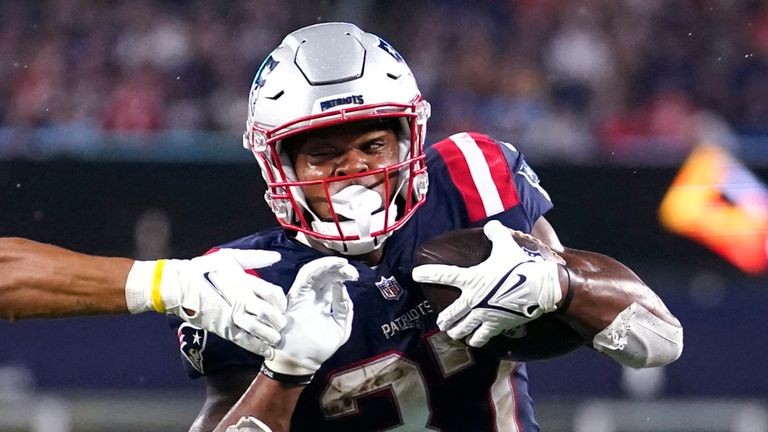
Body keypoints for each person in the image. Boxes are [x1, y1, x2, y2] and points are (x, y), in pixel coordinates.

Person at [0, 22, 684, 432]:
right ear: (278, 163)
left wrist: (560, 281)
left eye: (371, 147)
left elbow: (655, 339)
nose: (353, 172)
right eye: (324, 153)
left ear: (408, 139)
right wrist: (287, 369)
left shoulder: (473, 179)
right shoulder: (243, 280)